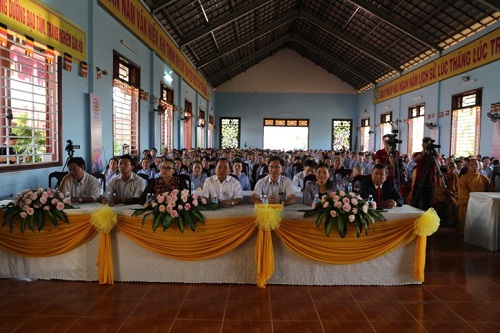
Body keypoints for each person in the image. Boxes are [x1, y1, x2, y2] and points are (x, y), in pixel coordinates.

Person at [457, 158, 495, 238]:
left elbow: (491, 191)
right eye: (471, 165)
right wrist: (477, 199)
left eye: (476, 165)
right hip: (468, 204)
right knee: (465, 223)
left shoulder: (484, 179)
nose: (474, 167)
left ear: (479, 167)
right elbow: (463, 193)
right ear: (467, 167)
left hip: (482, 205)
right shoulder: (463, 179)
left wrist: (483, 200)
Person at [410, 137, 439, 210]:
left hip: (430, 183)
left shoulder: (434, 154)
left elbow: (439, 165)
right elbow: (414, 160)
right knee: (416, 202)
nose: (427, 145)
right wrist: (424, 153)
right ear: (422, 145)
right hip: (419, 182)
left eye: (428, 144)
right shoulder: (417, 154)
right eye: (425, 143)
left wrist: (433, 154)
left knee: (428, 204)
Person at [432, 162, 459, 227]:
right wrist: (452, 194)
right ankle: (450, 220)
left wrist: (456, 194)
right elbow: (442, 188)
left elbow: (458, 187)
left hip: (453, 194)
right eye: (450, 167)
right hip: (443, 194)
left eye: (454, 168)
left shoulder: (456, 175)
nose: (452, 169)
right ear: (447, 168)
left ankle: (454, 220)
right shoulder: (442, 176)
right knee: (452, 203)